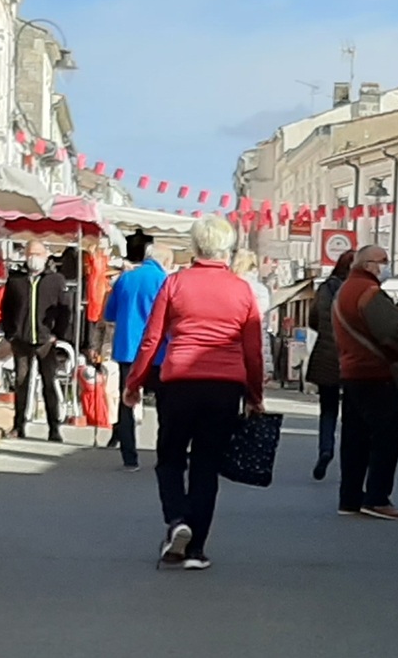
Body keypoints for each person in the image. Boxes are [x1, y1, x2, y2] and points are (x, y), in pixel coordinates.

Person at [124, 216, 264, 571]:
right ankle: (196, 549)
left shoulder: (175, 284)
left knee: (170, 457)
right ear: (226, 248)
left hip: (180, 382)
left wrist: (135, 383)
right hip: (225, 387)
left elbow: (152, 339)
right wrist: (254, 394)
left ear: (196, 246)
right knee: (206, 466)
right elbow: (253, 350)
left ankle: (177, 520)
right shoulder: (242, 289)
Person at [332, 245, 398, 520]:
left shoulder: (343, 291)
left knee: (354, 440)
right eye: (383, 261)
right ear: (369, 264)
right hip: (375, 373)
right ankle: (377, 497)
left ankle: (349, 498)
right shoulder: (369, 293)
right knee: (386, 438)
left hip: (351, 373)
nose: (386, 266)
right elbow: (391, 331)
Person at [104, 243, 172, 469]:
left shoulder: (125, 278)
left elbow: (109, 313)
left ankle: (129, 457)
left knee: (127, 402)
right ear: (166, 262)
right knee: (165, 404)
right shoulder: (165, 281)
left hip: (127, 348)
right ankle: (164, 454)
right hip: (158, 352)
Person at [1, 240, 70, 442]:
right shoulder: (16, 280)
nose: (34, 258)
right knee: (21, 382)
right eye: (30, 253)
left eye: (38, 253)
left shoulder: (56, 280)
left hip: (45, 341)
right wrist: (10, 333)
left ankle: (54, 428)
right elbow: (6, 308)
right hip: (21, 340)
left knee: (49, 383)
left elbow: (64, 310)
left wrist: (58, 334)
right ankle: (18, 425)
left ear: (46, 256)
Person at [305, 249, 355, 480]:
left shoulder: (325, 288)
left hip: (326, 354)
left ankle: (325, 448)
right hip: (353, 356)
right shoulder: (358, 290)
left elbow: (313, 318)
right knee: (353, 414)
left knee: (328, 409)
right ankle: (349, 461)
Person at [231, 250, 272, 381]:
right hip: (252, 350)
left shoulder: (228, 286)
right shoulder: (260, 291)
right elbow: (260, 329)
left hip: (228, 350)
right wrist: (266, 367)